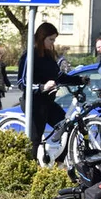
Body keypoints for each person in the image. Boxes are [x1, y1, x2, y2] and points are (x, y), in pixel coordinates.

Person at [17, 22, 86, 153]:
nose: (52, 43)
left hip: (48, 102)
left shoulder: (49, 56)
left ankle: (59, 162)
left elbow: (59, 76)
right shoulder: (29, 56)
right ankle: (31, 169)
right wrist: (42, 87)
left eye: (54, 40)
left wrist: (80, 80)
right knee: (35, 139)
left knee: (67, 128)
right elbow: (22, 82)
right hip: (33, 103)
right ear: (42, 37)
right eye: (50, 39)